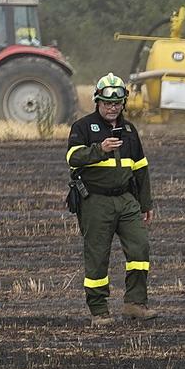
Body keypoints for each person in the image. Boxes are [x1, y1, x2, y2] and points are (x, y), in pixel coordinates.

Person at [65, 73, 155, 320]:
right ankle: (99, 310)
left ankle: (135, 303)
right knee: (97, 255)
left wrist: (145, 203)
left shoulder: (129, 130)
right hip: (95, 201)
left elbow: (141, 168)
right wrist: (100, 149)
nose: (112, 108)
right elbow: (73, 158)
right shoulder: (83, 127)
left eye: (117, 103)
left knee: (140, 247)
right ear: (98, 101)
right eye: (107, 103)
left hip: (126, 200)